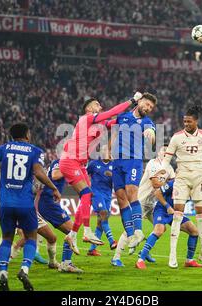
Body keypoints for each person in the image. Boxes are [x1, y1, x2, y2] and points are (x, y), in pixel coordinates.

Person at [60, 94, 142, 251]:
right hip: (70, 160)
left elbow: (116, 121)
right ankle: (87, 231)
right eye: (97, 104)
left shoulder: (97, 124)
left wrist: (135, 110)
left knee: (88, 195)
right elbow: (111, 113)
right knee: (86, 194)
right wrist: (132, 100)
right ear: (89, 108)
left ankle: (72, 234)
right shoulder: (86, 118)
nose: (100, 107)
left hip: (79, 163)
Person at [0, 123, 61, 291]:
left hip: (6, 203)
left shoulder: (3, 148)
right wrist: (54, 188)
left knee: (6, 239)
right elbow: (39, 173)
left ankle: (3, 272)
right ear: (27, 134)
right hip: (25, 203)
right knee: (31, 238)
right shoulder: (34, 151)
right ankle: (24, 269)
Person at [162, 106, 202, 270]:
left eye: (189, 121)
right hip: (182, 177)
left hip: (200, 178)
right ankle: (173, 254)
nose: (186, 124)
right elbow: (166, 160)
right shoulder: (176, 138)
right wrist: (162, 172)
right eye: (184, 121)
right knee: (177, 213)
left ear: (196, 121)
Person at [111, 144, 174, 266]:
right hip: (141, 201)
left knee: (161, 228)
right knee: (130, 230)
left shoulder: (169, 168)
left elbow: (175, 183)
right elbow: (156, 183)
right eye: (163, 150)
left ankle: (144, 251)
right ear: (158, 153)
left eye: (168, 151)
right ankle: (116, 258)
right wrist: (168, 183)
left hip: (152, 204)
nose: (166, 152)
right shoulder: (153, 163)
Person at [111, 92, 157, 258]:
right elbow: (114, 134)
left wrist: (150, 135)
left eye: (151, 107)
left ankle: (138, 231)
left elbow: (151, 136)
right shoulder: (122, 117)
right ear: (140, 102)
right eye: (147, 104)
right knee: (121, 199)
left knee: (131, 194)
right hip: (117, 162)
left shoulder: (147, 122)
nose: (148, 108)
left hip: (133, 161)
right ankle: (131, 235)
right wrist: (110, 151)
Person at [136, 179, 202, 269]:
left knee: (194, 231)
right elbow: (157, 193)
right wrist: (168, 207)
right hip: (162, 210)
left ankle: (189, 260)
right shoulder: (175, 183)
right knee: (159, 231)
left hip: (176, 213)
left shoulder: (194, 189)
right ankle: (141, 259)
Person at [37, 159, 84, 273]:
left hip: (49, 201)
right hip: (48, 201)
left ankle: (60, 262)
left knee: (65, 232)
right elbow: (55, 175)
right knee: (71, 230)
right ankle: (66, 263)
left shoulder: (63, 162)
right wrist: (71, 169)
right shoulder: (61, 161)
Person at [86, 145, 117, 256]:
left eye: (107, 150)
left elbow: (119, 181)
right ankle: (112, 240)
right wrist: (86, 189)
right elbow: (84, 174)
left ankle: (92, 249)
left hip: (108, 195)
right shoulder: (94, 163)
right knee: (104, 214)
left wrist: (113, 175)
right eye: (103, 150)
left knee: (100, 222)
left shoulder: (114, 165)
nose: (104, 152)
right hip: (96, 194)